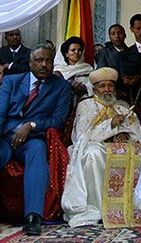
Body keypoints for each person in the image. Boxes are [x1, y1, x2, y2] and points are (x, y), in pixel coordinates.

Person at [61, 67, 141, 228]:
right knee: (93, 155)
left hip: (120, 148)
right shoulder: (85, 106)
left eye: (110, 86)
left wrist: (127, 136)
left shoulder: (122, 107)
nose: (107, 89)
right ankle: (99, 208)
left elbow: (140, 134)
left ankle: (129, 208)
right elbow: (82, 136)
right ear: (94, 89)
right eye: (102, 86)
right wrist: (111, 126)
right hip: (94, 146)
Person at [0, 44, 71, 235]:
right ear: (30, 63)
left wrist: (30, 125)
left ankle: (33, 216)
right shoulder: (12, 81)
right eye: (39, 60)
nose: (44, 65)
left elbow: (57, 120)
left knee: (37, 151)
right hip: (5, 135)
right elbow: (1, 112)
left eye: (48, 61)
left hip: (32, 138)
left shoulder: (61, 87)